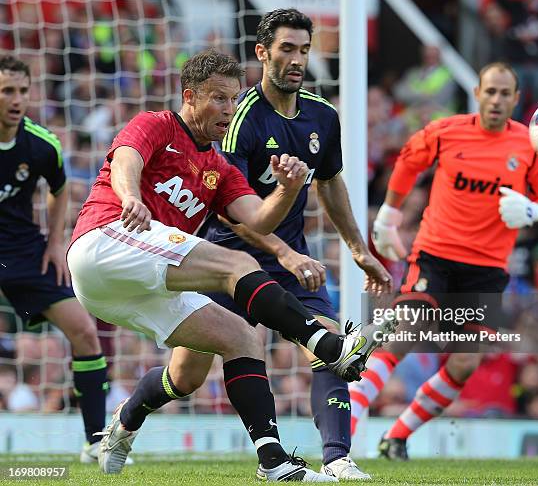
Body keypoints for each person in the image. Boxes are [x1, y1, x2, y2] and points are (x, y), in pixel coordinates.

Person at [67, 49, 387, 481]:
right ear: (190, 97)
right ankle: (328, 346)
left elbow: (258, 219)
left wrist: (289, 190)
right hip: (105, 242)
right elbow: (127, 159)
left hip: (137, 281)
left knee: (240, 339)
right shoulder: (157, 125)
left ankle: (273, 462)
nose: (228, 109)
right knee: (236, 261)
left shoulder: (219, 168)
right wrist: (130, 197)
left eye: (234, 99)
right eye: (218, 98)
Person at [200, 8, 390, 480]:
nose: (297, 59)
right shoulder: (240, 118)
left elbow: (330, 183)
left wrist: (358, 249)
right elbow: (226, 207)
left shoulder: (323, 117)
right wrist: (282, 251)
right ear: (262, 52)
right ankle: (126, 421)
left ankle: (337, 458)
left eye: (304, 49)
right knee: (183, 377)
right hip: (230, 261)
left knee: (331, 346)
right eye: (287, 48)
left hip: (291, 262)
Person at [349, 62, 538, 459]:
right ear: (477, 93)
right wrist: (388, 215)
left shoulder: (530, 145)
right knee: (406, 332)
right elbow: (408, 162)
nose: (496, 100)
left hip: (487, 269)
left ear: (517, 100)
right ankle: (344, 432)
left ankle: (396, 436)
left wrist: (534, 211)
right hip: (436, 254)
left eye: (505, 94)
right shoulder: (447, 131)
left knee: (465, 363)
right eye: (490, 91)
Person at [0, 55, 108, 462]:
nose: (17, 99)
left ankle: (96, 442)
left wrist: (55, 242)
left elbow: (60, 189)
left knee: (84, 330)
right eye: (7, 91)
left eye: (22, 91)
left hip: (24, 251)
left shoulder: (41, 143)